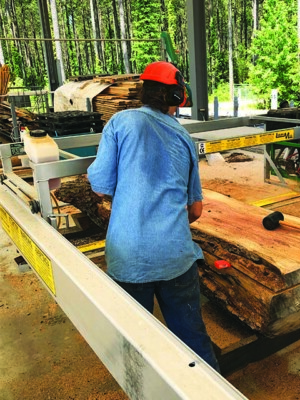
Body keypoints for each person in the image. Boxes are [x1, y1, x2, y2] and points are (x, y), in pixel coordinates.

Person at [87, 61, 220, 370]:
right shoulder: (184, 138)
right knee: (192, 339)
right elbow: (195, 210)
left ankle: (144, 385)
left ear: (143, 92)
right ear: (178, 97)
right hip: (175, 256)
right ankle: (208, 386)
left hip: (128, 257)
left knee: (135, 341)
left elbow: (101, 186)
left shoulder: (120, 123)